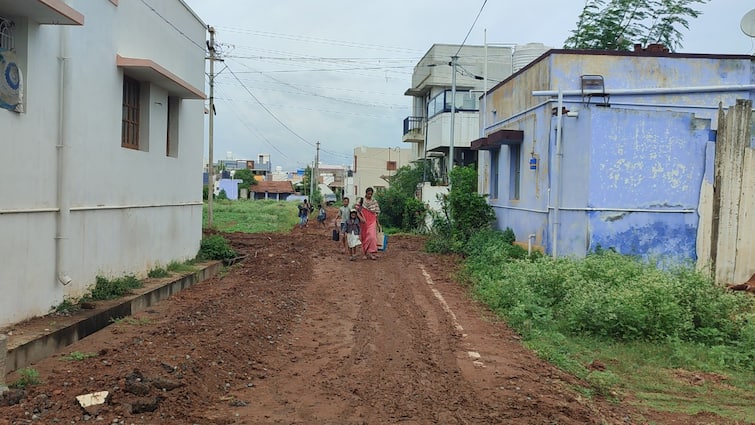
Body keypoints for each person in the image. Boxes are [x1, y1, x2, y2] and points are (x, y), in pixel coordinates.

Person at [356, 187, 380, 260]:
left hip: (372, 220)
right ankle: (364, 253)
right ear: (366, 193)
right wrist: (361, 218)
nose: (369, 195)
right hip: (364, 221)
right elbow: (356, 211)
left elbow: (376, 213)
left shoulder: (374, 201)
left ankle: (372, 252)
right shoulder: (361, 201)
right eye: (368, 194)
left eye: (371, 194)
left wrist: (378, 223)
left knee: (372, 236)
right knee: (364, 237)